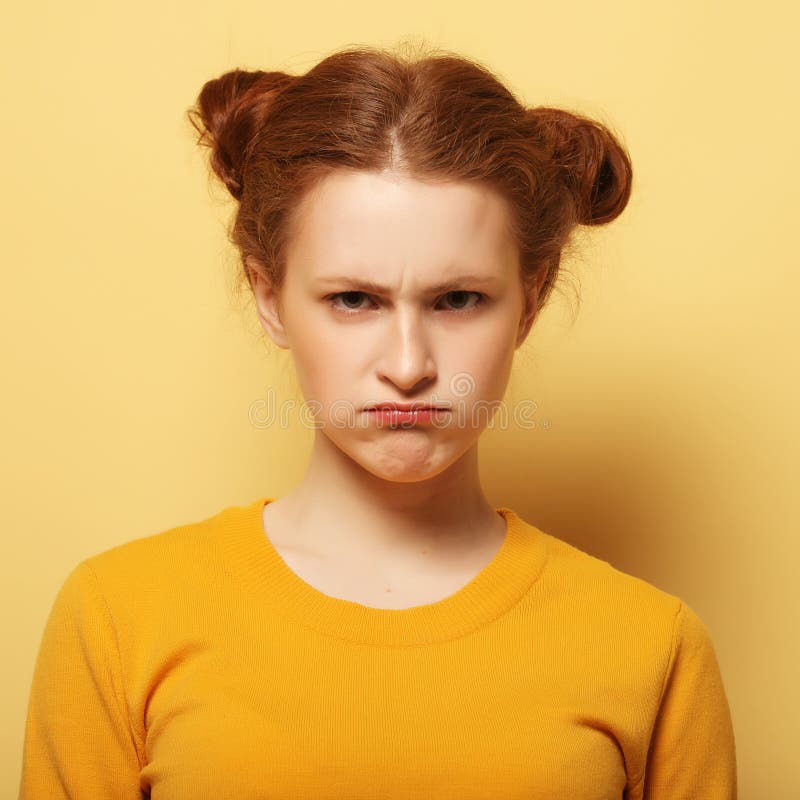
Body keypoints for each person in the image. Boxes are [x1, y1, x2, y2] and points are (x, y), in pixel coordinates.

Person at [18, 43, 737, 799]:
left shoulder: (654, 646)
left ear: (531, 298)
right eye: (353, 300)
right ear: (269, 297)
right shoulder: (117, 618)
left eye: (457, 300)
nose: (407, 364)